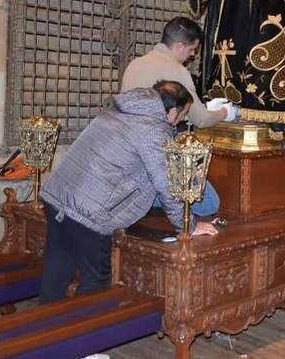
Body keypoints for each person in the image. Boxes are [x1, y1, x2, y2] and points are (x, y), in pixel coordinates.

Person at [39, 81, 219, 303]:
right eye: (183, 114)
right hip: (88, 213)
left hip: (57, 197)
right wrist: (188, 226)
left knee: (57, 271)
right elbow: (167, 184)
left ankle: (46, 328)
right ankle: (85, 335)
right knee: (95, 285)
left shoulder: (118, 111)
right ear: (171, 110)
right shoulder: (152, 129)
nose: (182, 120)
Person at [121, 16, 236, 127]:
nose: (193, 54)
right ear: (180, 46)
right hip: (153, 139)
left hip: (124, 134)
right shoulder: (177, 70)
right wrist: (225, 112)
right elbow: (201, 120)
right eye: (191, 49)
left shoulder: (135, 63)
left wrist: (205, 107)